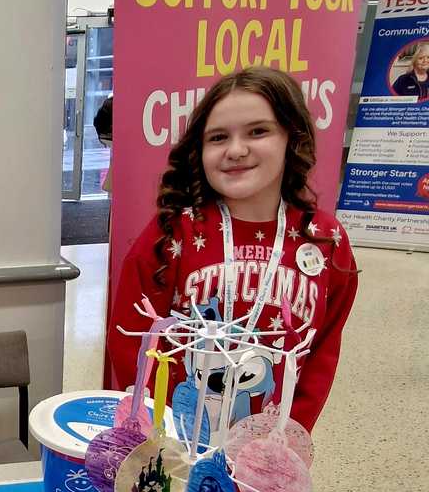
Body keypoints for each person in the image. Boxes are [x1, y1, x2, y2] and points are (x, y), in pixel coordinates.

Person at [107, 66, 358, 433]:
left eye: (258, 131)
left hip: (266, 447)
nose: (236, 150)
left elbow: (322, 349)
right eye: (218, 137)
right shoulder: (174, 232)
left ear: (292, 136)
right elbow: (131, 337)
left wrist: (291, 432)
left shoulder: (324, 239)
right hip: (174, 438)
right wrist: (154, 427)